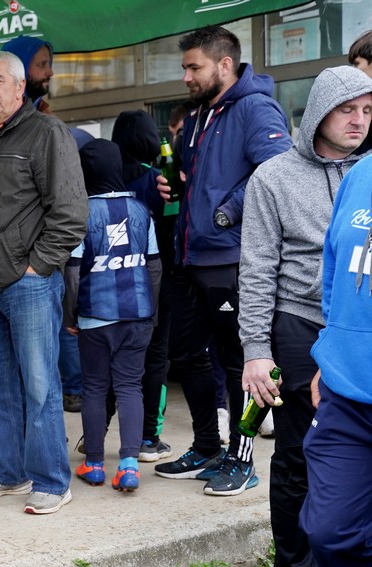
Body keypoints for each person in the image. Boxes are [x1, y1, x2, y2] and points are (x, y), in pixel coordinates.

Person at [239, 66, 372, 567]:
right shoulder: (273, 177)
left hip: (359, 329)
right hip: (298, 324)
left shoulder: (368, 175)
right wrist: (254, 348)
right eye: (348, 110)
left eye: (368, 110)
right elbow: (257, 267)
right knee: (296, 456)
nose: (359, 121)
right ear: (319, 110)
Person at [153, 25, 292, 496]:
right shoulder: (197, 117)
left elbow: (278, 170)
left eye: (195, 67)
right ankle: (208, 446)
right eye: (185, 67)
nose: (187, 76)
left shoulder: (255, 108)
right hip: (191, 256)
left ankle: (243, 457)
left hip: (232, 258)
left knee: (239, 364)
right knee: (188, 354)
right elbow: (198, 179)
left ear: (225, 64)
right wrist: (172, 186)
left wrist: (226, 209)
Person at [0, 51, 87, 515]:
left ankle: (52, 480)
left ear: (18, 88)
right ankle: (8, 473)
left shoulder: (46, 133)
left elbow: (71, 214)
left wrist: (38, 266)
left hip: (27, 282)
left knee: (39, 385)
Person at [299, 150, 372, 567]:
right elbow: (334, 272)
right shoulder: (361, 175)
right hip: (349, 392)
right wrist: (330, 356)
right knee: (329, 531)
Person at [64, 138, 160, 493]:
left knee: (94, 388)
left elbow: (73, 271)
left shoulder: (82, 214)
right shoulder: (141, 211)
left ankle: (93, 464)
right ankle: (130, 467)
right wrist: (152, 311)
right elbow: (154, 267)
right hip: (137, 316)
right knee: (130, 387)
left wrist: (70, 314)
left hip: (95, 317)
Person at [110, 109, 175, 463]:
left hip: (110, 279)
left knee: (109, 359)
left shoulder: (103, 177)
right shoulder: (158, 180)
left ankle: (96, 433)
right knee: (155, 357)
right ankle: (149, 437)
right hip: (153, 280)